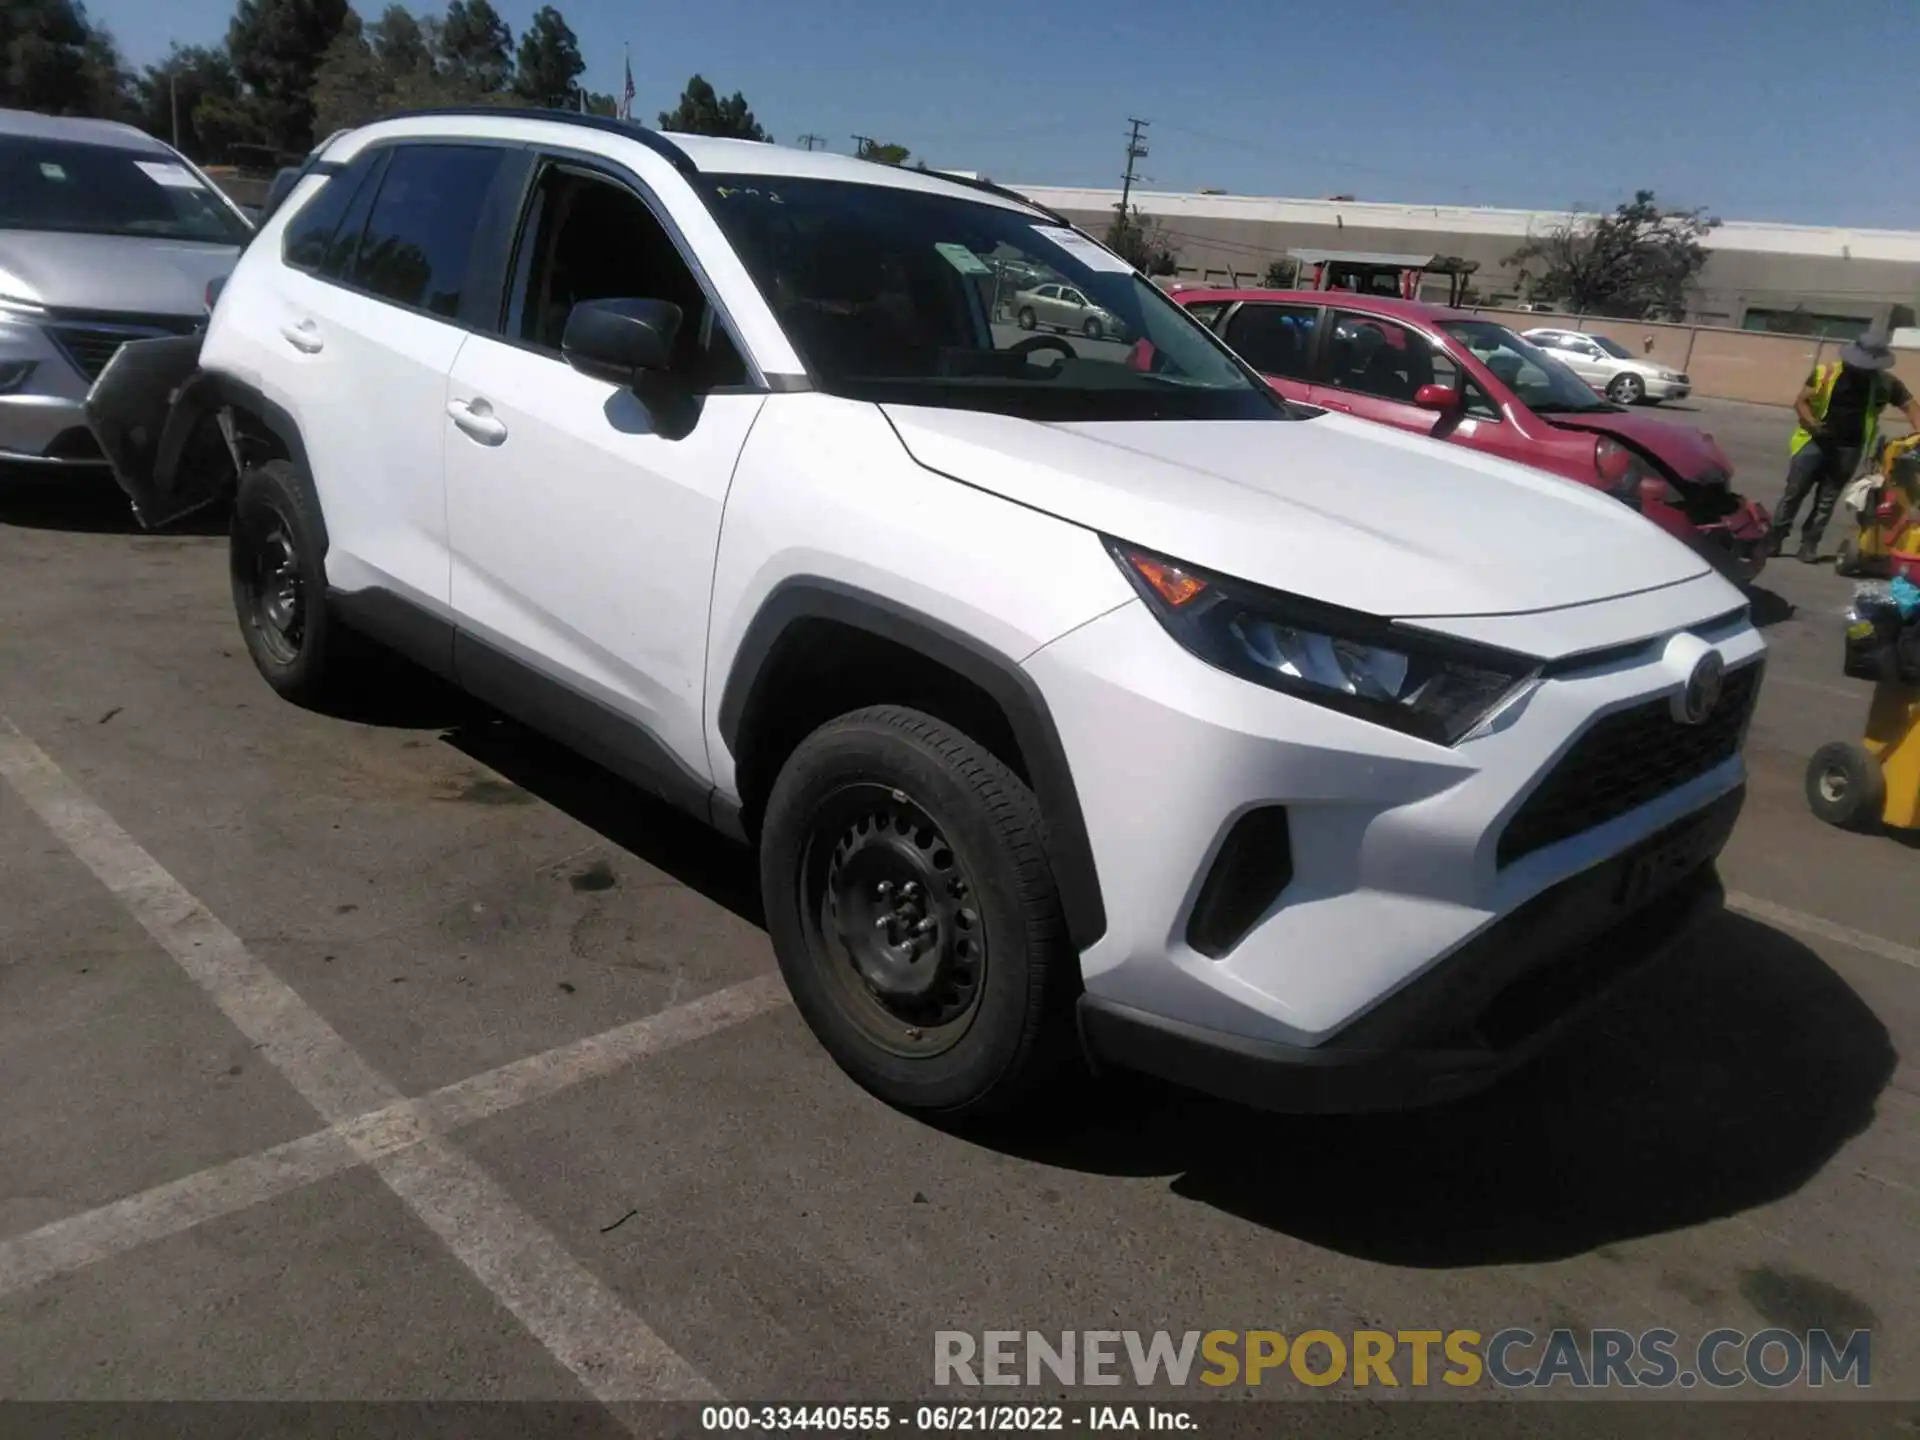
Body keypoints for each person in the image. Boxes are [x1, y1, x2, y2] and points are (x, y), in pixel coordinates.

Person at [1772, 327, 1920, 562]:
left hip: (1848, 448)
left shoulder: (1885, 383)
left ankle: (1808, 546)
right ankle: (1774, 540)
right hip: (1814, 442)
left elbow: (1911, 406)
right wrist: (1812, 424)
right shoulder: (1826, 372)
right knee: (1794, 493)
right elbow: (1801, 402)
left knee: (1827, 500)